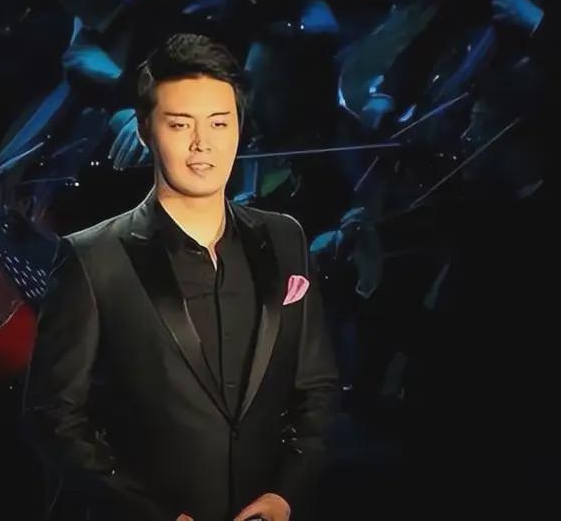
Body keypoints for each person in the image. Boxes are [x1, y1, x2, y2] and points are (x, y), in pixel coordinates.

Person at [25, 34, 338, 521]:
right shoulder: (92, 258)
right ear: (146, 131)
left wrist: (285, 494)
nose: (202, 144)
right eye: (179, 124)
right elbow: (54, 415)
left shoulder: (285, 239)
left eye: (219, 123)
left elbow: (316, 388)